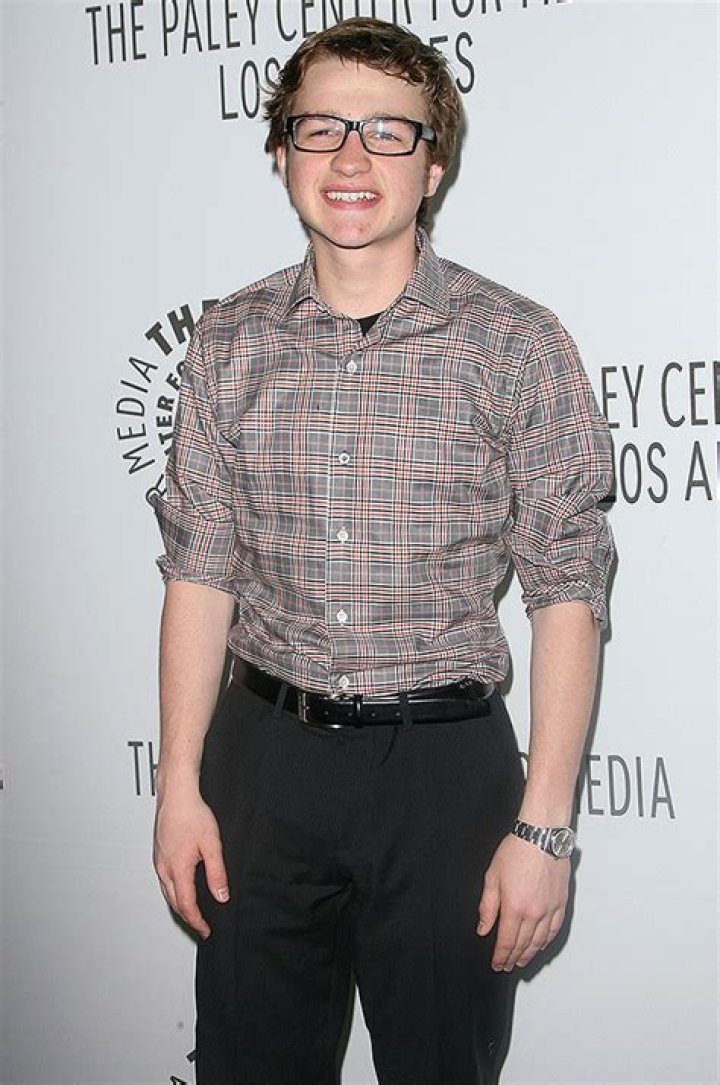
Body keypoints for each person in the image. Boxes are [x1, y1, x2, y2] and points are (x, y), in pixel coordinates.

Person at [151, 17, 614, 1085]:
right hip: (261, 767)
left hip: (444, 779)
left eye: (388, 132)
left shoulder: (517, 343)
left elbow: (567, 589)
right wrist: (178, 784)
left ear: (433, 165)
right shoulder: (228, 342)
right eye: (321, 128)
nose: (351, 157)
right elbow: (199, 574)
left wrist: (544, 828)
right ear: (281, 152)